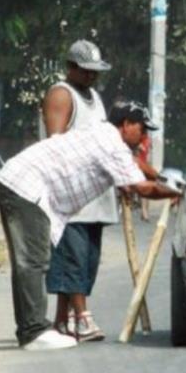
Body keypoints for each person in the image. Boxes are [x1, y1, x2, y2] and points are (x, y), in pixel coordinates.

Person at [0, 101, 181, 351]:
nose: (144, 136)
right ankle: (33, 332)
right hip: (27, 186)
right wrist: (169, 190)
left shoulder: (101, 133)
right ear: (125, 125)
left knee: (31, 261)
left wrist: (152, 179)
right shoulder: (112, 144)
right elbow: (141, 187)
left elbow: (133, 168)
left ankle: (33, 328)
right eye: (141, 129)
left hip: (20, 182)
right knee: (32, 261)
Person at [40, 39, 118, 342]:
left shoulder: (94, 98)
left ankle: (62, 320)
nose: (91, 77)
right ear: (70, 68)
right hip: (71, 195)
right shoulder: (62, 94)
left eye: (95, 72)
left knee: (87, 261)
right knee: (72, 259)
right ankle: (83, 319)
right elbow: (55, 143)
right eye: (86, 71)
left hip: (95, 196)